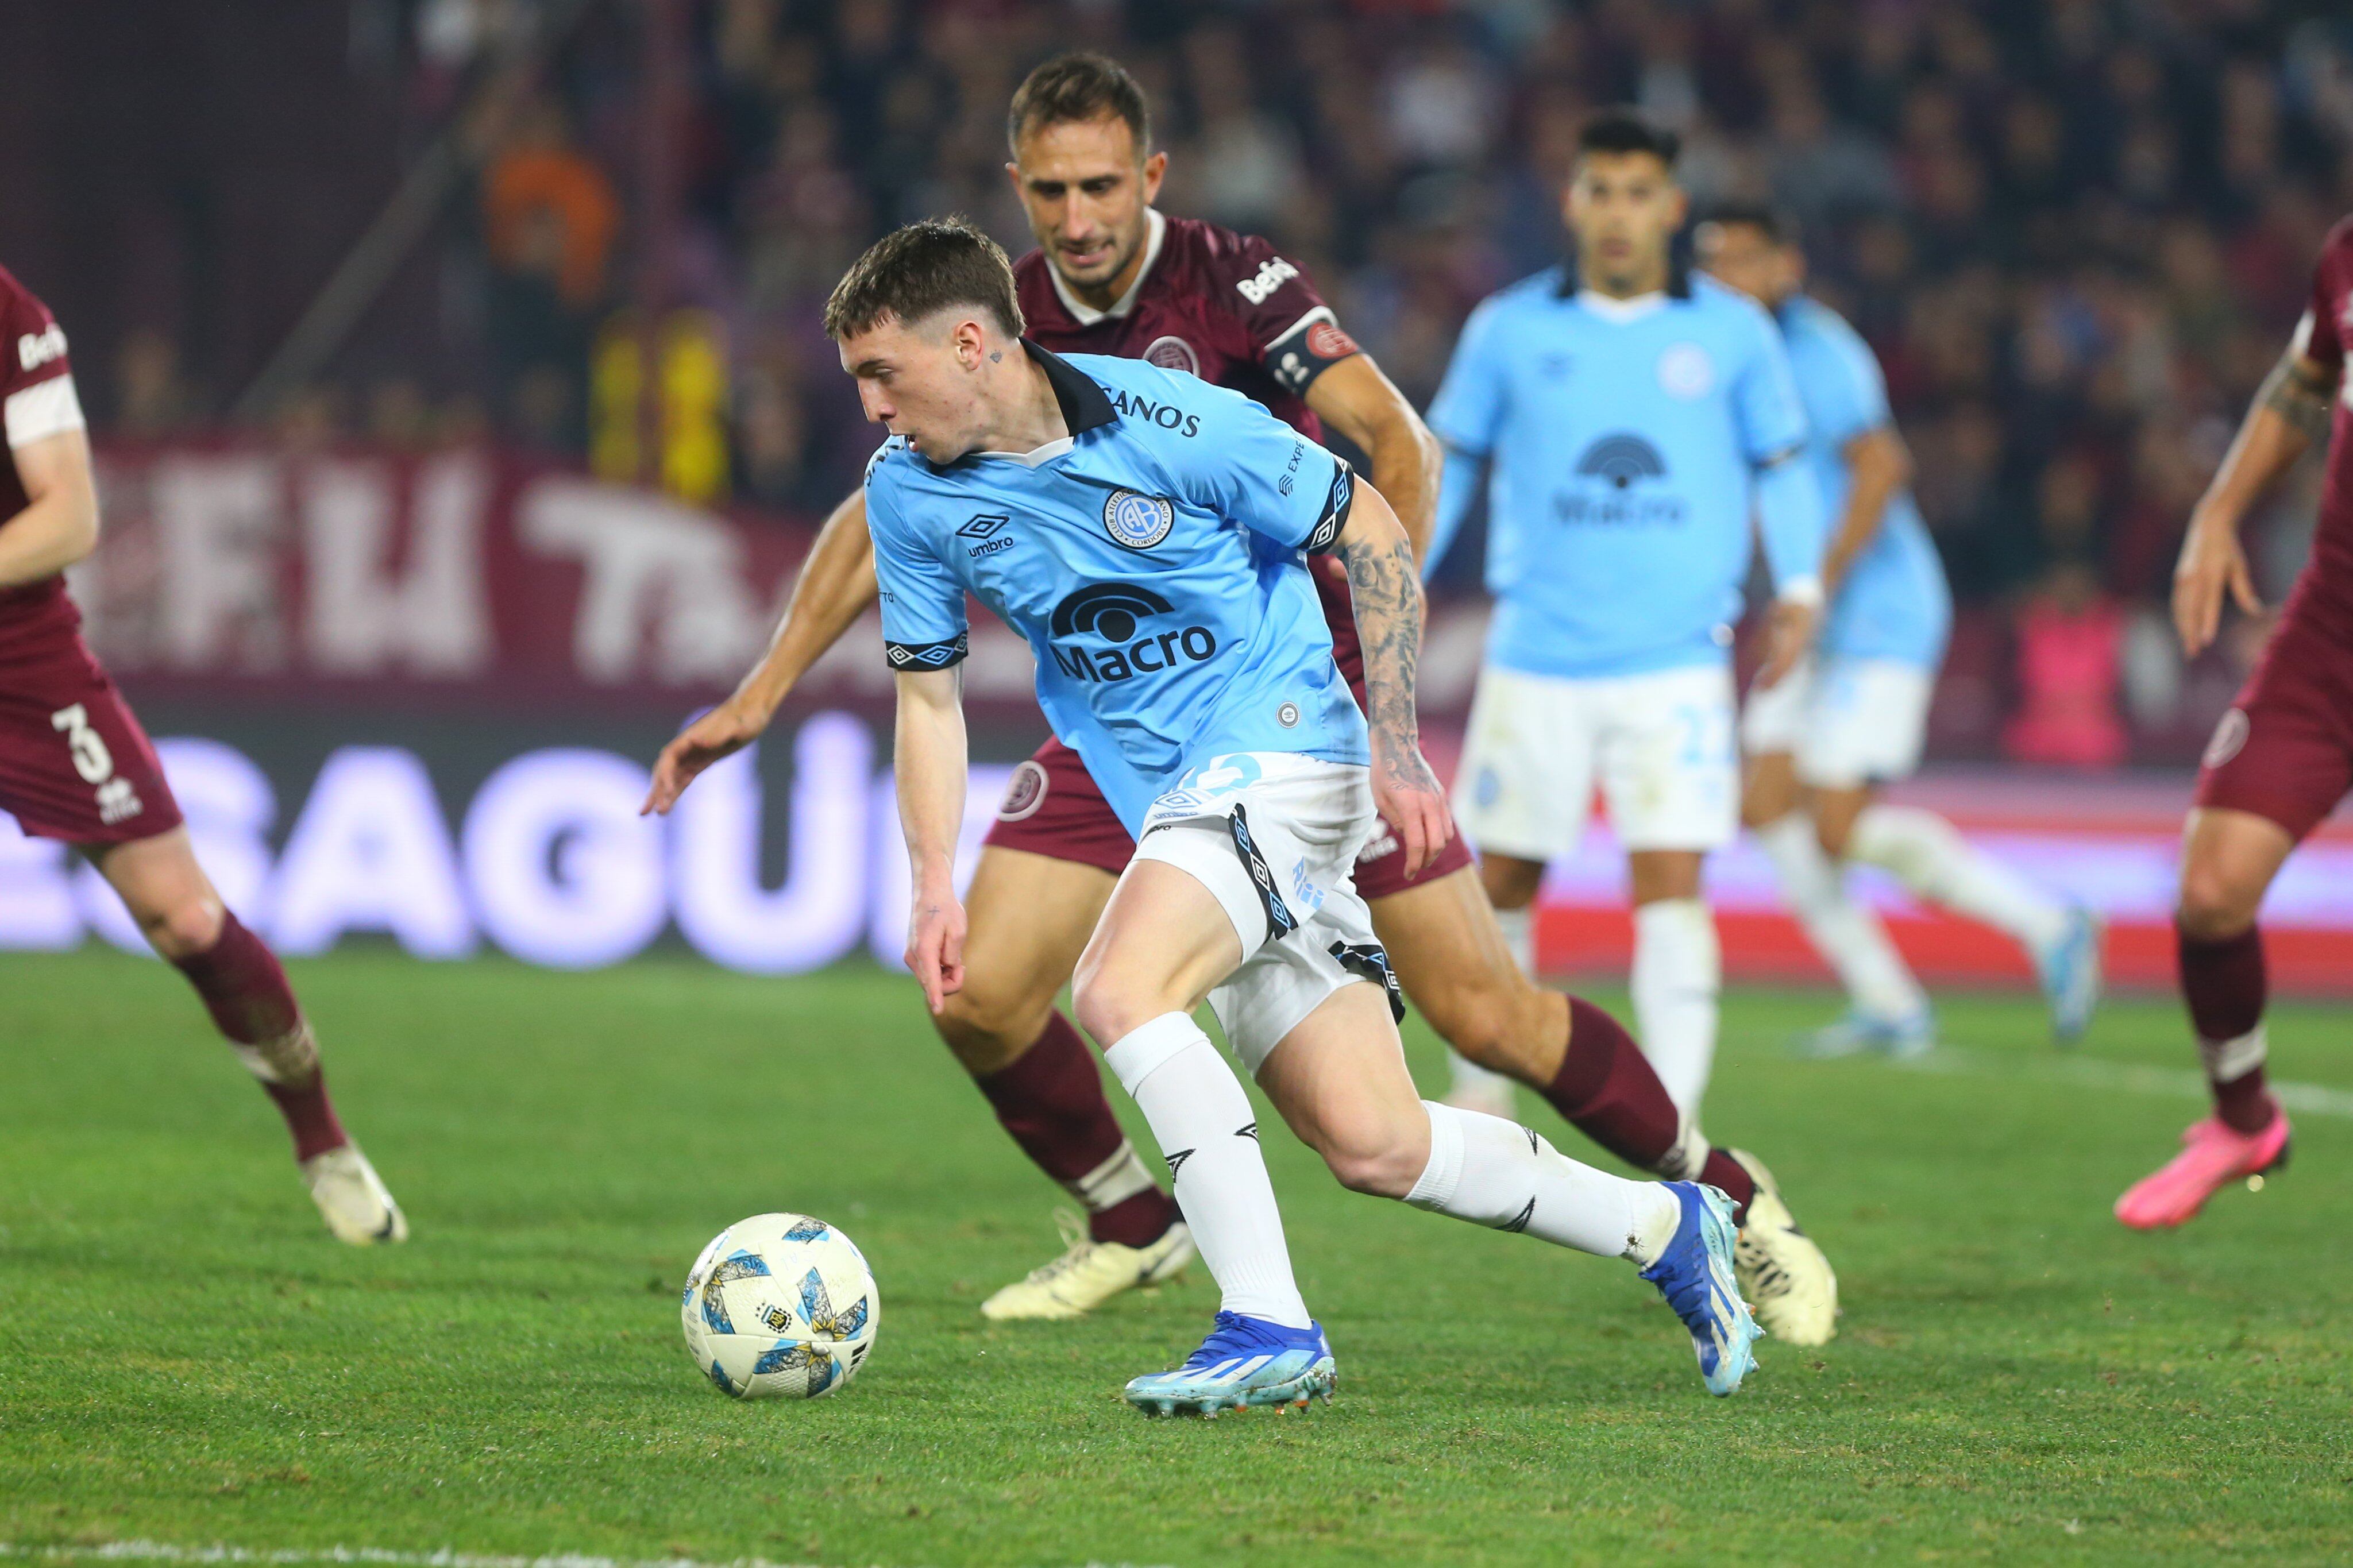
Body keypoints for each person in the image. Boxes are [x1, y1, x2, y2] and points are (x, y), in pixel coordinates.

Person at [645, 56, 1835, 1345]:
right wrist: (763, 691)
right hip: (1121, 720)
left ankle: (1728, 1203)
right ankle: (1130, 1222)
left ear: (1149, 177)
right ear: (1016, 191)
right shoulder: (987, 317)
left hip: (1286, 709)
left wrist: (1375, 676)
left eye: (1101, 184)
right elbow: (887, 515)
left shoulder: (1233, 282)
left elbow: (1394, 450)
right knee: (978, 988)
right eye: (1049, 190)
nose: (1077, 216)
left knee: (1484, 1015)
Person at [832, 215, 1761, 1412]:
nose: (869, 410)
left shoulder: (1171, 422)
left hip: (1286, 755)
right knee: (1373, 1141)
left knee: (1118, 988)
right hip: (1180, 802)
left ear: (969, 344)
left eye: (880, 375)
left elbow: (1369, 526)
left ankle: (1265, 1323)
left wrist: (1394, 744)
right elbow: (928, 703)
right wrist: (928, 882)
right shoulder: (906, 492)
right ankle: (1664, 1225)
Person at [1425, 112, 1822, 1119]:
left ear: (1673, 208)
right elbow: (1449, 462)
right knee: (1501, 880)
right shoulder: (1509, 327)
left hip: (1678, 658)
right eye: (1600, 189)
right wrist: (1407, 575)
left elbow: (1784, 468)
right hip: (1538, 653)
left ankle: (1675, 1118)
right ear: (1572, 201)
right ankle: (1483, 1100)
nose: (1618, 213)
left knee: (1672, 884)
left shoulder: (1733, 331)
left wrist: (1804, 586)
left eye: (1639, 193)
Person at [0, 264, 405, 1245]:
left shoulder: (12, 319)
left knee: (183, 918)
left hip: (18, 652)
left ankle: (321, 1138)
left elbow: (70, 515)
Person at [1696, 204, 2104, 1057]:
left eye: (1744, 259)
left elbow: (1882, 468)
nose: (1728, 277)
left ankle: (2048, 922)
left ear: (1787, 266)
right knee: (1765, 798)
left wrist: (1814, 588)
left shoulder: (1822, 350)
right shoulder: (1724, 364)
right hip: (1809, 612)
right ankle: (1887, 1001)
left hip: (1880, 615)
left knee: (1838, 825)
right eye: (1712, 263)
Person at [2114, 215, 2353, 1229]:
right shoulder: (2347, 254)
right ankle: (2243, 1117)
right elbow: (2306, 380)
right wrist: (2217, 511)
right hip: (2332, 639)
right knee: (2211, 891)